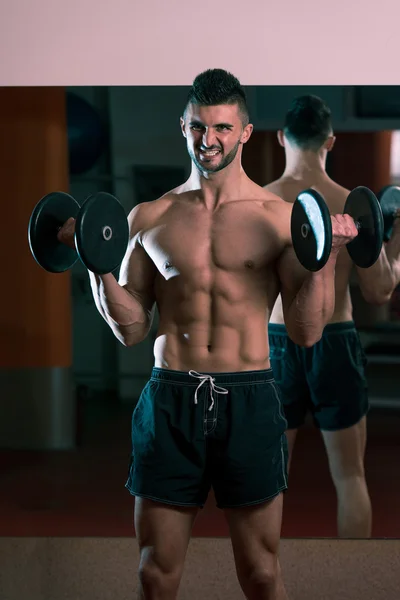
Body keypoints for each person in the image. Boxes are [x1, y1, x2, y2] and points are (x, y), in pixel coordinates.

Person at [58, 72, 358, 600]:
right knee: (154, 571)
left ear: (245, 132)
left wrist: (325, 260)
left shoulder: (281, 220)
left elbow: (307, 331)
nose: (209, 139)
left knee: (261, 573)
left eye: (222, 127)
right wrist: (97, 266)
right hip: (170, 397)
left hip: (250, 398)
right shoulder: (150, 217)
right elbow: (132, 331)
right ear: (184, 126)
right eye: (199, 126)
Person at [265, 94, 400, 539]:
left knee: (268, 482)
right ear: (331, 141)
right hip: (335, 338)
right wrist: (396, 251)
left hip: (276, 342)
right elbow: (380, 291)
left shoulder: (260, 205)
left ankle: (264, 579)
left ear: (282, 137)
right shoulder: (352, 206)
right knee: (349, 477)